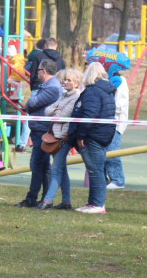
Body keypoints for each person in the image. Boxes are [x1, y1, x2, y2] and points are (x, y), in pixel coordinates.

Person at [69, 62, 115, 214]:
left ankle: (97, 204)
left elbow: (89, 114)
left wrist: (81, 134)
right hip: (103, 134)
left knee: (95, 170)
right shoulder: (106, 91)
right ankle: (93, 202)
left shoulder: (92, 92)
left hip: (93, 135)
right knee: (97, 169)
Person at [15, 60, 63, 207]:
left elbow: (31, 104)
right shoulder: (49, 86)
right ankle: (44, 198)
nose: (36, 73)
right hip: (40, 129)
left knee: (37, 164)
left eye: (38, 70)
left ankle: (34, 198)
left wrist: (30, 103)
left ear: (44, 71)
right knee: (42, 165)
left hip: (43, 130)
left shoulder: (52, 88)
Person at [37, 68, 83, 210]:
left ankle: (47, 201)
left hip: (64, 137)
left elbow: (63, 115)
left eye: (69, 80)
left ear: (76, 83)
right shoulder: (63, 96)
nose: (65, 82)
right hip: (55, 135)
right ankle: (66, 201)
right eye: (65, 79)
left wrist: (55, 112)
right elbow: (47, 110)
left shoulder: (75, 97)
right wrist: (54, 111)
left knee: (56, 169)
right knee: (62, 170)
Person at [104, 63, 130, 190]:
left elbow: (121, 105)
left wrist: (106, 104)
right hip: (103, 122)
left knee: (112, 150)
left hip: (115, 122)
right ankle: (103, 178)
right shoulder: (102, 80)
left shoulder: (121, 81)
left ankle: (118, 179)